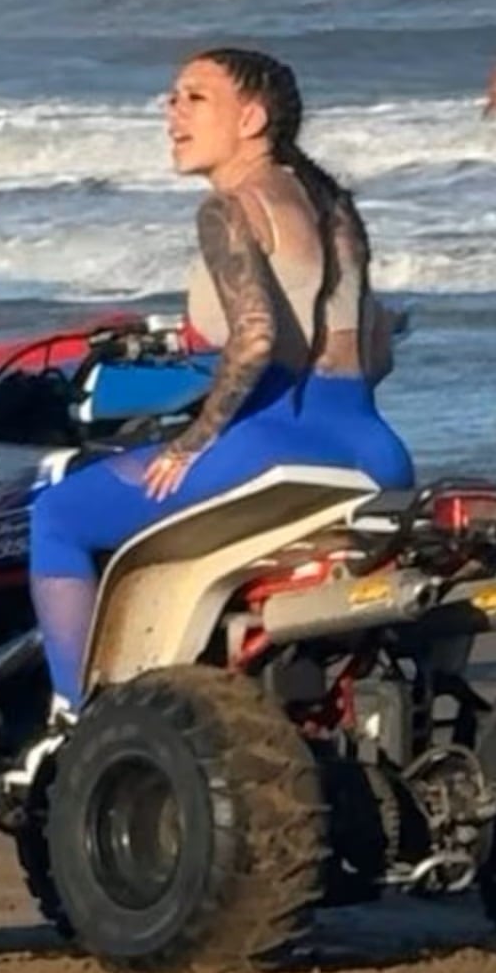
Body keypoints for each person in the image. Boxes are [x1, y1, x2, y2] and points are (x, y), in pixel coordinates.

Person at [27, 46, 413, 719]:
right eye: (173, 96)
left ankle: (76, 718)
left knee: (57, 516)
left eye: (194, 97)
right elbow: (375, 345)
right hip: (375, 446)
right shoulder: (332, 204)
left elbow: (256, 337)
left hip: (276, 445)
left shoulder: (232, 208)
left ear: (252, 118)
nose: (171, 111)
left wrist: (194, 441)